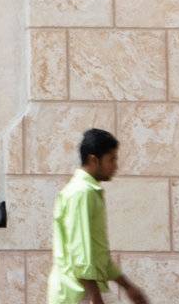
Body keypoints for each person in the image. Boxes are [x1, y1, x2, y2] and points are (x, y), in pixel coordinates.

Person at [48, 129, 150, 304]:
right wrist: (95, 296)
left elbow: (97, 254)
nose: (115, 166)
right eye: (112, 159)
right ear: (93, 160)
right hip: (77, 293)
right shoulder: (82, 193)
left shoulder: (87, 191)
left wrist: (127, 287)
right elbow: (81, 250)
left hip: (83, 291)